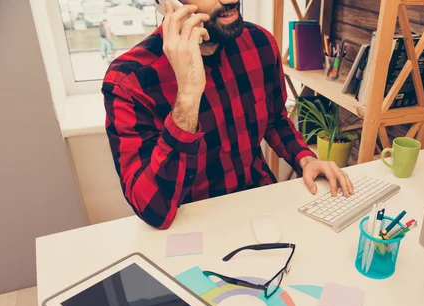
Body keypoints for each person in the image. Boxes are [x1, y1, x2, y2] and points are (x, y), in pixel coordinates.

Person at [102, 0, 354, 229]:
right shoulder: (129, 80)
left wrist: (305, 159)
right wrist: (188, 95)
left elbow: (275, 119)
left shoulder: (260, 43)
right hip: (190, 227)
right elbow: (154, 210)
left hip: (261, 210)